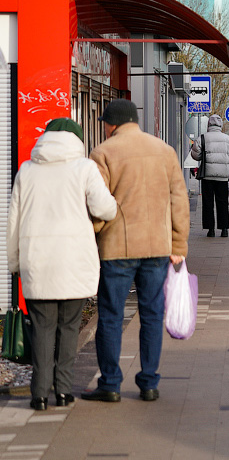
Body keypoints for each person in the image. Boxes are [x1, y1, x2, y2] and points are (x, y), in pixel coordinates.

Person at [7, 118, 118, 411]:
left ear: (45, 139)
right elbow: (105, 208)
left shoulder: (26, 171)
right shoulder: (84, 168)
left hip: (37, 262)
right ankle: (64, 391)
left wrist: (14, 262)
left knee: (42, 329)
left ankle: (40, 395)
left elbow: (13, 222)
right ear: (77, 140)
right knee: (69, 328)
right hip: (74, 262)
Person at [83, 99, 189, 403]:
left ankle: (110, 384)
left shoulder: (102, 153)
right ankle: (149, 383)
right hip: (157, 247)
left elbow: (97, 203)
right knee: (152, 315)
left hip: (117, 248)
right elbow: (179, 200)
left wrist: (96, 232)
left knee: (111, 316)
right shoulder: (165, 151)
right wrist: (178, 245)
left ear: (112, 124)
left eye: (105, 123)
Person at [191, 114, 229, 238]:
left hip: (207, 175)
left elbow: (195, 155)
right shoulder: (228, 139)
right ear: (220, 125)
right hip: (223, 175)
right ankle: (224, 229)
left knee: (208, 202)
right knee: (223, 202)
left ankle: (210, 229)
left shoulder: (202, 138)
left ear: (209, 124)